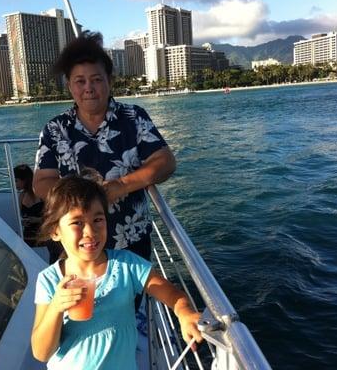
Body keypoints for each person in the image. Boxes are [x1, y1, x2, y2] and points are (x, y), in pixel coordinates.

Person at [31, 176, 202, 369]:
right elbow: (41, 352)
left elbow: (170, 293)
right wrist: (55, 307)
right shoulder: (49, 280)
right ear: (55, 231)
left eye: (98, 219)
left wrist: (184, 312)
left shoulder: (126, 265)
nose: (90, 231)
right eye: (77, 223)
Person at [33, 31, 175, 261]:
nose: (88, 88)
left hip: (128, 243)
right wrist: (83, 199)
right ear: (70, 86)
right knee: (77, 298)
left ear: (109, 81)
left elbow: (165, 162)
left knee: (132, 297)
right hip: (74, 247)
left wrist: (121, 185)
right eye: (80, 81)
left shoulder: (133, 117)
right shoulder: (55, 129)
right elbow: (41, 182)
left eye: (96, 79)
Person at [14, 164, 61, 263]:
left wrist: (37, 220)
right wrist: (23, 221)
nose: (14, 184)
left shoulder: (41, 194)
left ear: (24, 180)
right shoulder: (21, 197)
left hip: (44, 235)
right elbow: (20, 217)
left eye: (16, 180)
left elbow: (54, 216)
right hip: (28, 235)